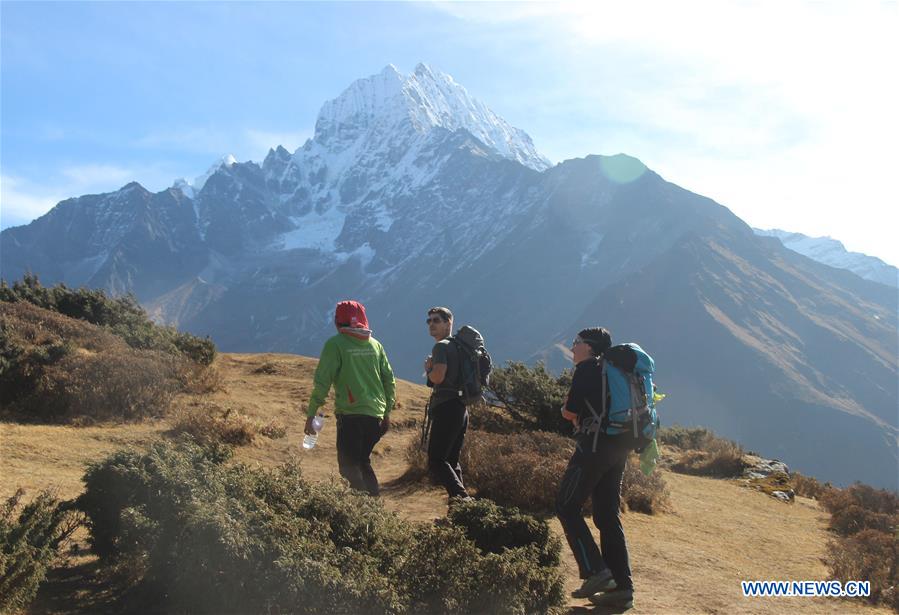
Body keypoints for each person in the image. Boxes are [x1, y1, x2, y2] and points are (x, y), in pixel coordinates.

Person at [556, 327, 635, 609]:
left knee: (566, 505)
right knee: (606, 515)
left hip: (594, 446)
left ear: (589, 347)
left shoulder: (588, 368)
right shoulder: (615, 371)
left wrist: (572, 408)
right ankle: (622, 587)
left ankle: (596, 571)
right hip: (619, 447)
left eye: (576, 343)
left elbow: (569, 411)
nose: (572, 347)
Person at [304, 300, 396, 496]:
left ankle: (363, 512)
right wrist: (386, 413)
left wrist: (312, 414)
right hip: (375, 416)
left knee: (348, 466)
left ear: (338, 322)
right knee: (362, 461)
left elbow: (322, 382)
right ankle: (373, 509)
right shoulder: (376, 345)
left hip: (351, 415)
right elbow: (389, 380)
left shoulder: (335, 344)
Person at [423, 306, 471, 501]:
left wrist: (429, 369)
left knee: (436, 460)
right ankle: (459, 511)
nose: (431, 324)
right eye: (429, 321)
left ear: (448, 323)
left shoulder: (441, 346)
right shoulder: (459, 347)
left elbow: (438, 376)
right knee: (451, 460)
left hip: (446, 407)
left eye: (436, 320)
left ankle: (463, 499)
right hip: (461, 408)